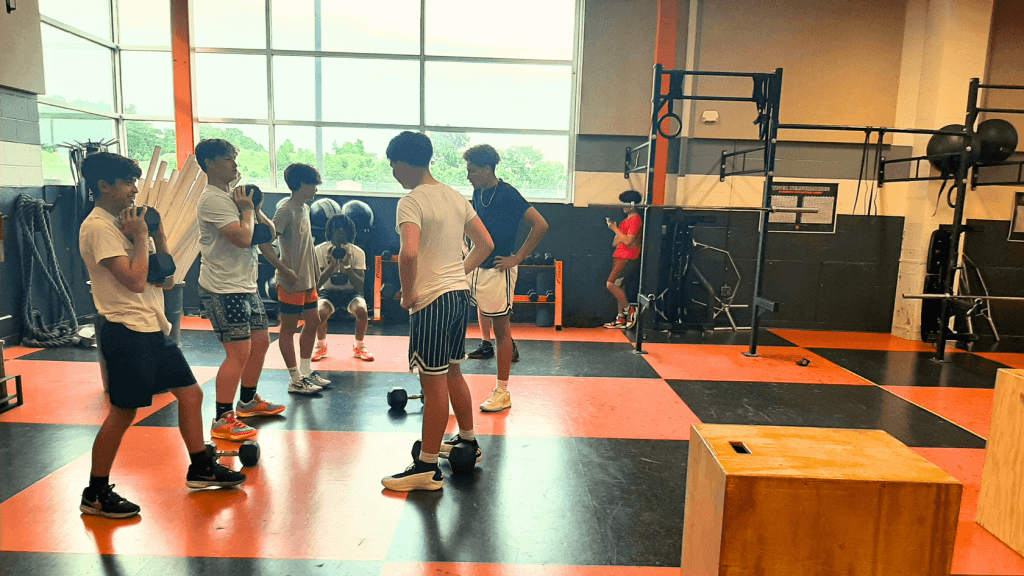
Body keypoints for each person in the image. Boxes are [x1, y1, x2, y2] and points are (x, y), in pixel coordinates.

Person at [78, 152, 245, 519]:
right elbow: (136, 281)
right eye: (126, 183)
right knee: (123, 414)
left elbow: (166, 279)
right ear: (103, 187)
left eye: (134, 182)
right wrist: (140, 236)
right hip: (125, 331)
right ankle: (95, 492)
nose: (134, 190)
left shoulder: (130, 223)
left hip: (153, 328)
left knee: (191, 394)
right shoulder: (99, 228)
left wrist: (158, 234)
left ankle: (200, 467)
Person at [381, 131, 494, 492]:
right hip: (460, 297)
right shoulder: (454, 196)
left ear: (402, 162)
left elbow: (409, 253)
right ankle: (468, 442)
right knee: (453, 374)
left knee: (432, 384)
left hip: (431, 301)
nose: (394, 174)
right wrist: (456, 273)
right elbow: (485, 244)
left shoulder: (411, 201)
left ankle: (427, 467)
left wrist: (407, 293)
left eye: (392, 166)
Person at [196, 138, 284, 441]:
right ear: (210, 163)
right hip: (222, 288)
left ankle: (247, 401)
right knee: (238, 353)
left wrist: (255, 209)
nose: (235, 164)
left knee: (261, 343)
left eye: (235, 158)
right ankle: (222, 418)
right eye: (228, 159)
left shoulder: (232, 197)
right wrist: (245, 209)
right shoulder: (213, 199)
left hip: (245, 285)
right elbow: (242, 238)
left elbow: (267, 234)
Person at [462, 144, 549, 413]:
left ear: (487, 169)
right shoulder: (478, 191)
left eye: (472, 171)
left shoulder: (509, 194)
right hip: (476, 266)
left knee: (502, 330)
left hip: (499, 270)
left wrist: (518, 257)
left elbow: (541, 224)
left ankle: (502, 391)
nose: (468, 176)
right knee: (466, 316)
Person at [258, 163, 330, 394]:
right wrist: (283, 268)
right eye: (313, 185)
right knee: (288, 328)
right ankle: (294, 379)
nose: (316, 190)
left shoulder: (305, 209)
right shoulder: (286, 210)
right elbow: (264, 243)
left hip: (308, 280)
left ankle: (306, 372)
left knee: (313, 322)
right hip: (291, 282)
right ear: (301, 184)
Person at [311, 214, 374, 362]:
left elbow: (359, 286)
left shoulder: (357, 252)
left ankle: (359, 346)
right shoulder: (319, 250)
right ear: (330, 231)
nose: (339, 233)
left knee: (362, 310)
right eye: (336, 229)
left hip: (351, 294)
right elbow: (317, 285)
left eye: (343, 229)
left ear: (349, 232)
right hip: (327, 293)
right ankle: (320, 345)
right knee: (320, 312)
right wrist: (332, 265)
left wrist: (347, 266)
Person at [604, 189, 643, 329]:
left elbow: (627, 241)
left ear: (632, 204)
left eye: (625, 203)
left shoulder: (635, 220)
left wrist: (615, 229)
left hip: (627, 257)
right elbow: (615, 242)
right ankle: (621, 318)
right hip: (618, 255)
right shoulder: (625, 221)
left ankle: (630, 310)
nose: (623, 206)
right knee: (618, 287)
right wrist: (621, 235)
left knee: (610, 284)